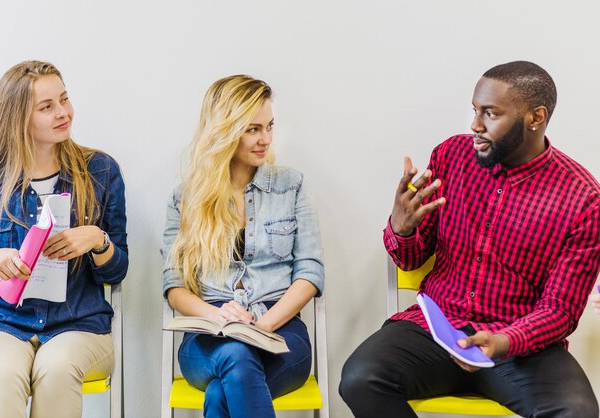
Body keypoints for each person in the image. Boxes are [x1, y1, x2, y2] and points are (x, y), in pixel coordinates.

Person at [340, 61, 600, 417]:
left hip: (519, 342)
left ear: (535, 118)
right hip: (437, 329)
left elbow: (560, 310)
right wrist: (402, 230)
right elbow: (412, 260)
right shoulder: (451, 156)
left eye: (490, 114)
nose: (475, 125)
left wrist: (504, 341)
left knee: (577, 412)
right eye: (475, 111)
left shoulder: (583, 198)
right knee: (360, 378)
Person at [162, 75, 324, 418]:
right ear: (224, 131)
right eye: (252, 129)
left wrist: (262, 327)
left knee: (223, 390)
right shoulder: (186, 199)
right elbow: (175, 287)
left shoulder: (291, 186)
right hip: (208, 337)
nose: (265, 139)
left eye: (269, 126)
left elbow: (309, 274)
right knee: (235, 356)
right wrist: (218, 316)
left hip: (281, 332)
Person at [0, 61, 128, 418]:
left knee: (56, 369)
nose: (63, 113)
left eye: (64, 99)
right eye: (46, 107)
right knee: (4, 372)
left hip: (80, 324)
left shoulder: (101, 171)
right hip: (0, 323)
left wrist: (97, 240)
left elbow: (117, 273)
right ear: (17, 119)